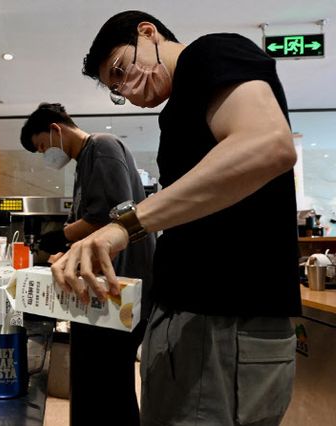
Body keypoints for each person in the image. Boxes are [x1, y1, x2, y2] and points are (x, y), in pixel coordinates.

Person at [51, 10, 301, 426]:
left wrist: (124, 226)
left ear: (147, 33)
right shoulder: (177, 110)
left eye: (121, 69)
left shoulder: (211, 52)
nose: (128, 89)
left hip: (222, 321)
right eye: (116, 89)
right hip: (189, 320)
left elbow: (267, 144)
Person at [20, 102, 155, 426]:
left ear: (55, 129)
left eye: (42, 146)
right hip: (104, 289)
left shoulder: (102, 147)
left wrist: (59, 236)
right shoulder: (85, 162)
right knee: (94, 380)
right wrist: (67, 250)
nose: (46, 155)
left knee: (108, 384)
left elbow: (110, 214)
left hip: (119, 288)